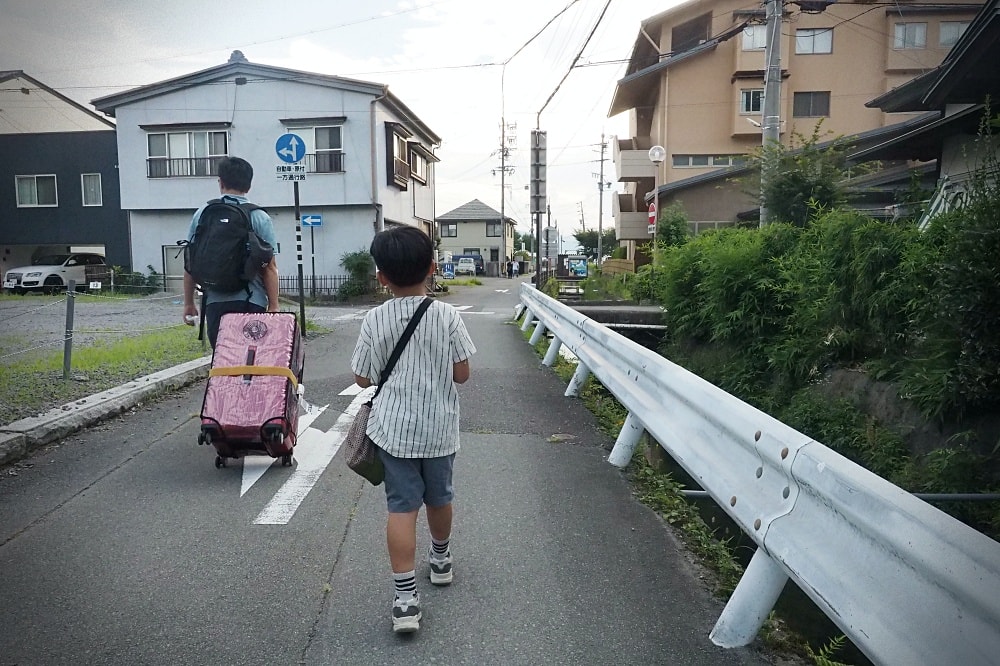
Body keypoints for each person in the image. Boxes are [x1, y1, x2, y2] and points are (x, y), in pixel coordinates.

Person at [350, 226, 476, 634]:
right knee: (440, 497)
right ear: (433, 268)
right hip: (439, 429)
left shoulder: (374, 319)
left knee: (401, 507)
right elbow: (462, 374)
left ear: (381, 276)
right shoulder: (447, 316)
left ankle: (405, 600)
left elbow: (362, 379)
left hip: (394, 433)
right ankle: (440, 559)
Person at [182, 156, 279, 348]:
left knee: (223, 362)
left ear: (221, 182)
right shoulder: (259, 217)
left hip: (215, 302)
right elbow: (269, 268)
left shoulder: (203, 214)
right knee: (250, 362)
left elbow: (190, 263)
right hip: (251, 302)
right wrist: (274, 305)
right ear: (249, 185)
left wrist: (188, 302)